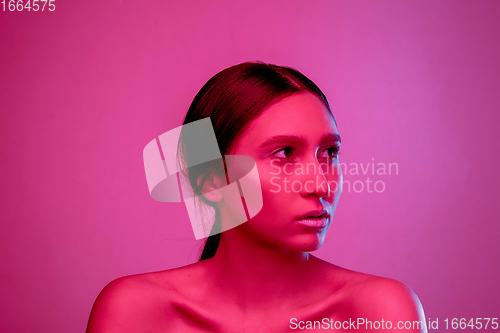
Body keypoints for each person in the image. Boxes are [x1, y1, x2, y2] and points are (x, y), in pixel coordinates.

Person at [86, 62, 427, 332]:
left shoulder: (378, 312)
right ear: (211, 178)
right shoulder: (135, 313)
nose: (321, 185)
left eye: (329, 152)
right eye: (284, 154)